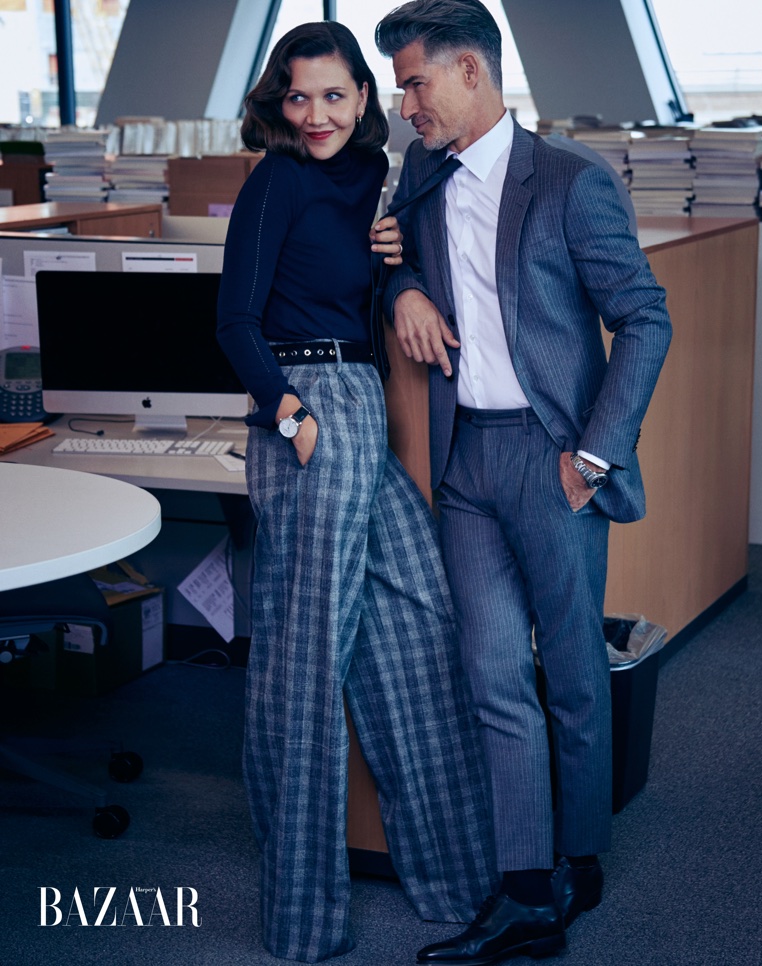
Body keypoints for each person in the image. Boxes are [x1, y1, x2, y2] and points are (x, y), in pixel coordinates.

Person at [374, 1, 673, 962]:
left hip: (552, 459)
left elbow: (644, 318)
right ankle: (524, 888)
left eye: (415, 80)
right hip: (465, 459)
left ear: (470, 71)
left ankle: (581, 856)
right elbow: (390, 266)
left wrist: (594, 454)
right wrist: (404, 287)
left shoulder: (571, 182)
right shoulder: (418, 174)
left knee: (575, 675)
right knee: (491, 673)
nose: (403, 101)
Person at [216, 20, 496, 964]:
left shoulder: (376, 185)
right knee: (307, 665)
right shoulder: (277, 179)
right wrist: (294, 421)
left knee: (417, 620)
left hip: (361, 400)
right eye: (299, 97)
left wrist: (398, 269)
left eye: (334, 95)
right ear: (278, 104)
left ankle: (456, 882)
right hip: (307, 408)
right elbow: (234, 323)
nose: (316, 114)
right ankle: (304, 921)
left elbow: (377, 292)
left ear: (366, 100)